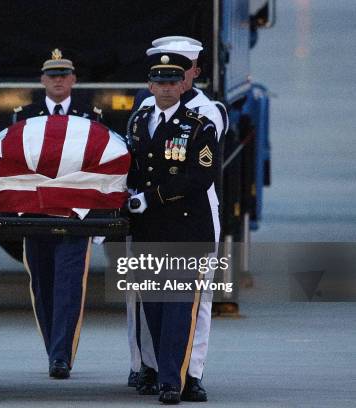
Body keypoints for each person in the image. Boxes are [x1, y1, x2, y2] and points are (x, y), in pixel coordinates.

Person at [126, 36, 227, 402]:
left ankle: (175, 380)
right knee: (153, 305)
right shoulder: (139, 121)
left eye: (173, 81)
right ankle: (157, 369)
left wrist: (151, 197)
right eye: (160, 82)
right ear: (150, 85)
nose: (167, 88)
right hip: (150, 228)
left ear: (184, 83)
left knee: (180, 308)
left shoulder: (200, 123)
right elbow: (132, 167)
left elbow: (201, 177)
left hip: (187, 226)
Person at [12, 49, 102, 379]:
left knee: (68, 283)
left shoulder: (90, 115)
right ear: (42, 81)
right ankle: (54, 348)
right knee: (42, 283)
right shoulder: (25, 115)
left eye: (64, 75)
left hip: (76, 213)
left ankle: (61, 355)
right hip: (36, 212)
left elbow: (100, 166)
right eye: (52, 75)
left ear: (74, 80)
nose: (58, 80)